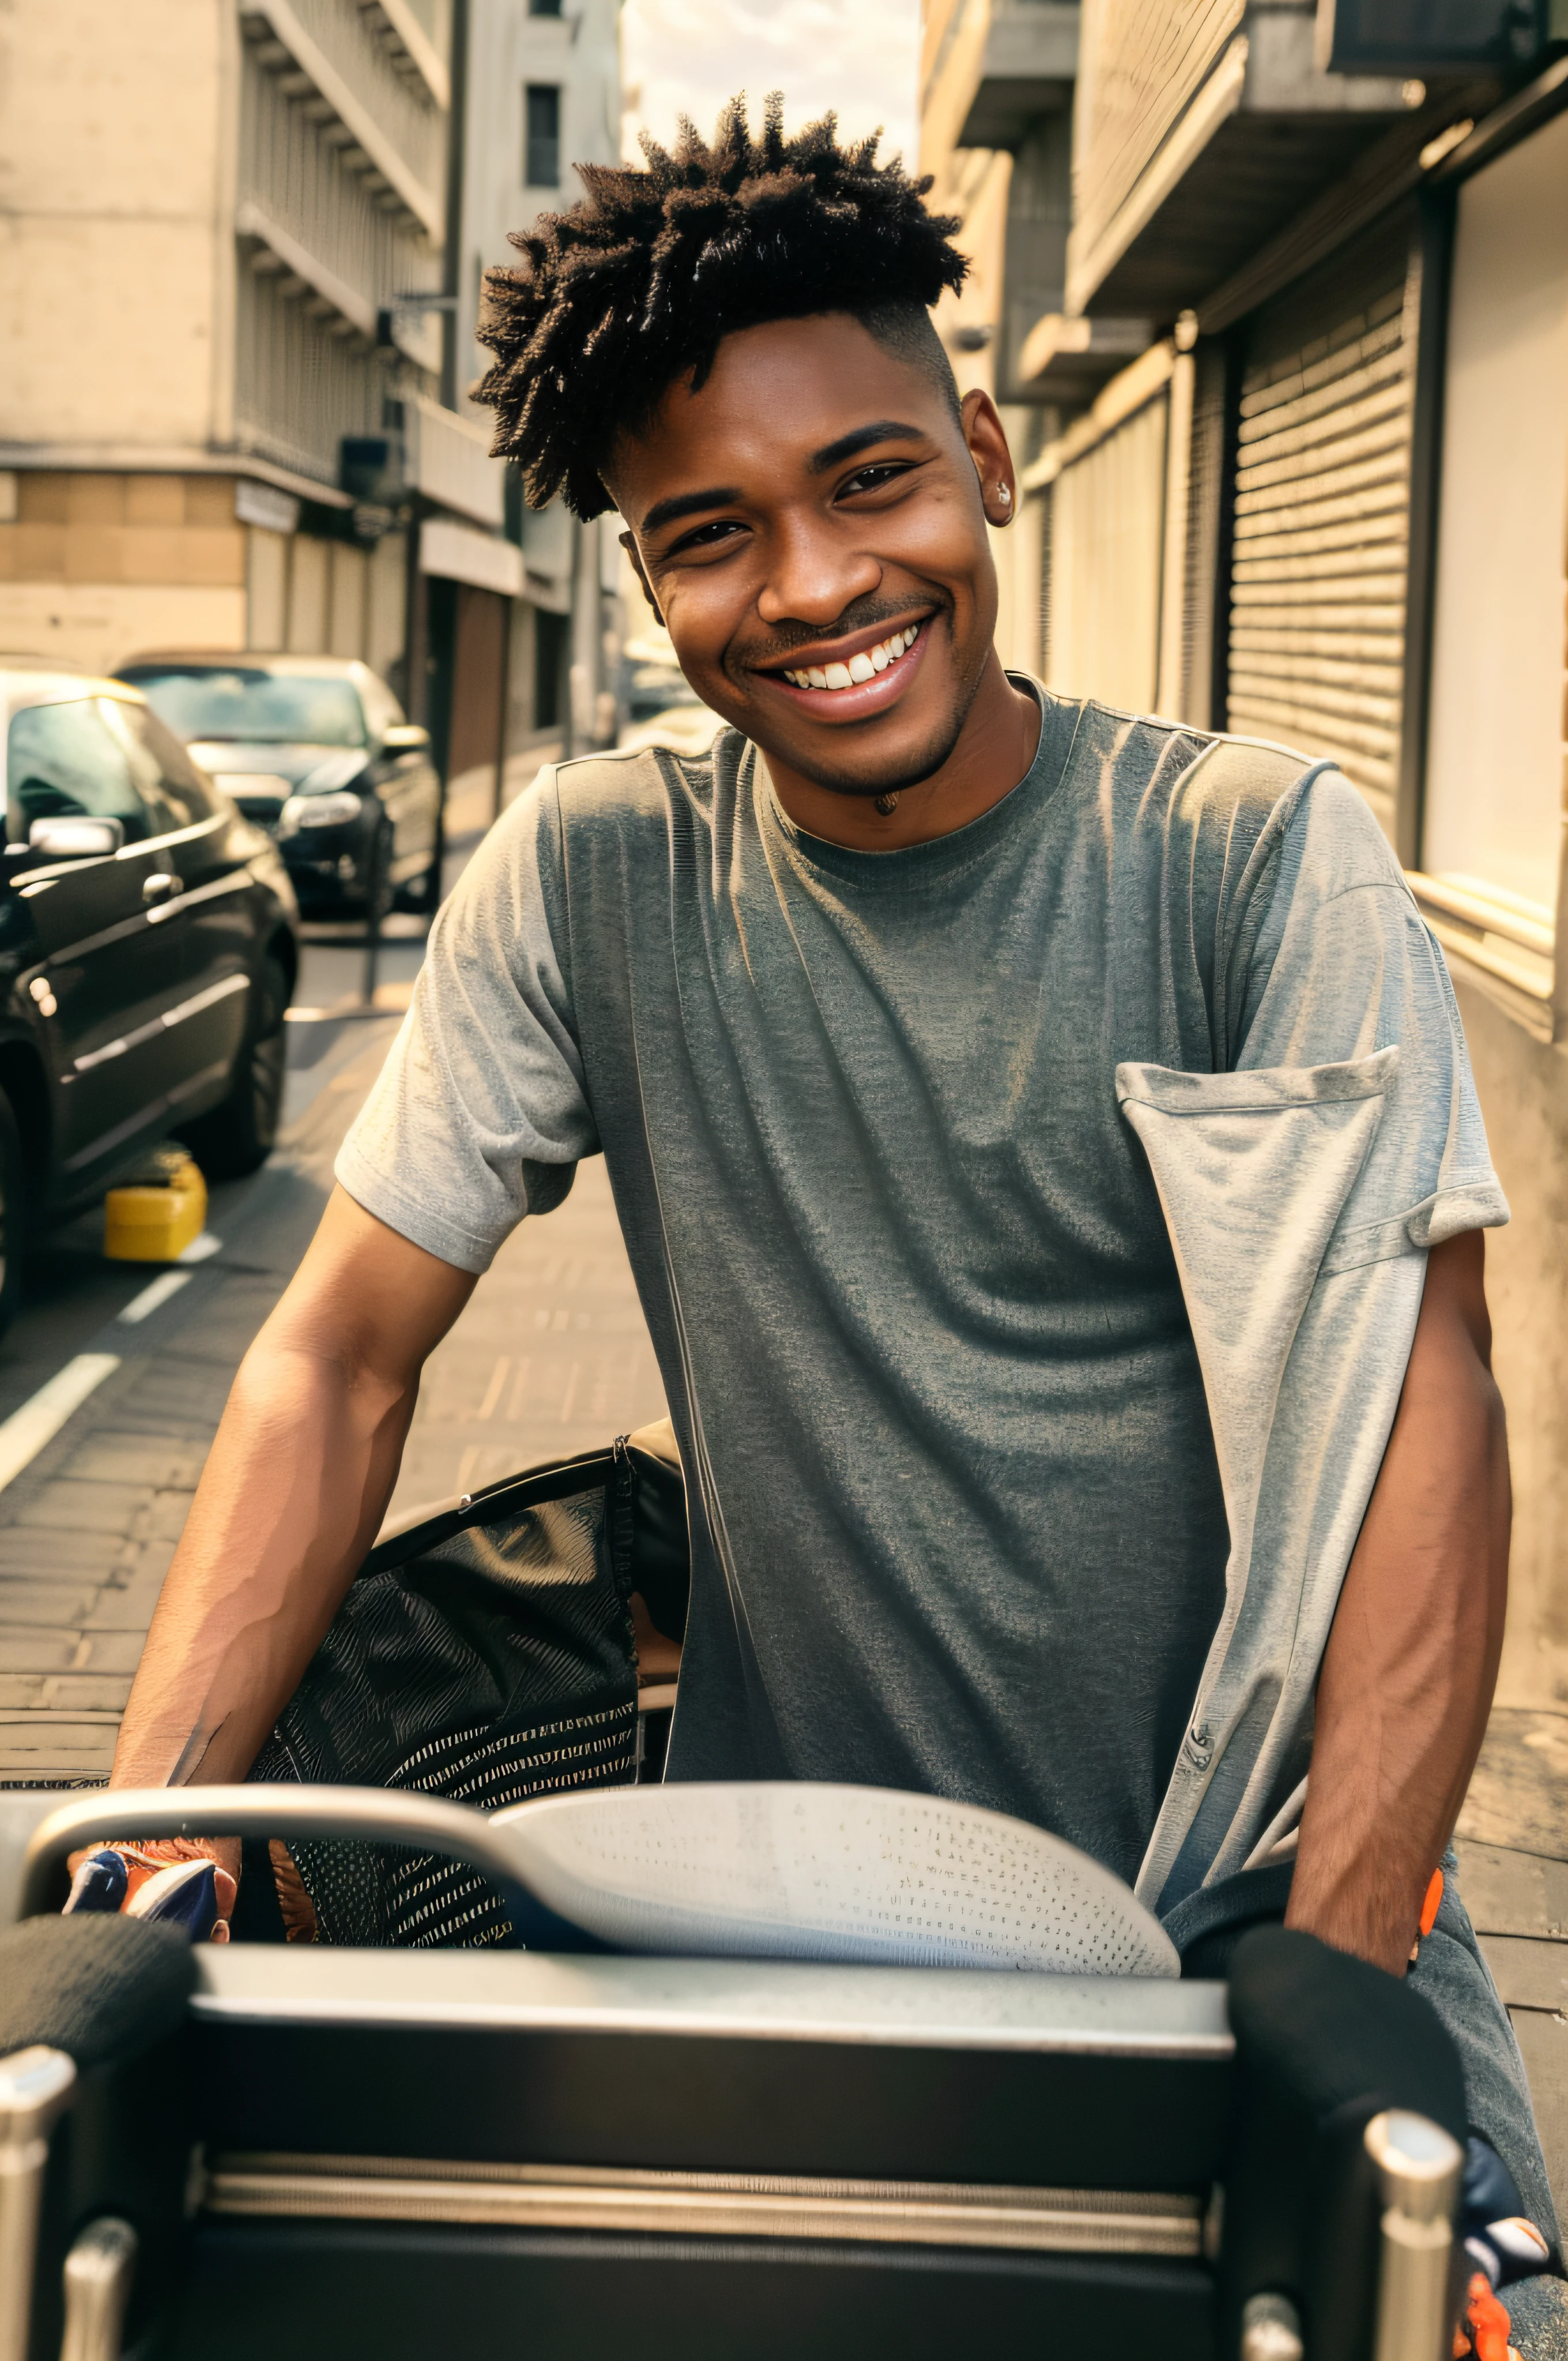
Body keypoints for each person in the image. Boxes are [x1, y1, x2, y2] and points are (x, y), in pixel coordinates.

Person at [95, 96, 1561, 2332]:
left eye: (866, 479)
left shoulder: (1244, 856)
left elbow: (1416, 1410)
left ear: (977, 451)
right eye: (708, 533)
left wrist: (1335, 1964)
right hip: (784, 1935)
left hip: (1249, 1938)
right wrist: (136, 1861)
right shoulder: (597, 883)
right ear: (641, 573)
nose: (806, 585)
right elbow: (335, 1351)